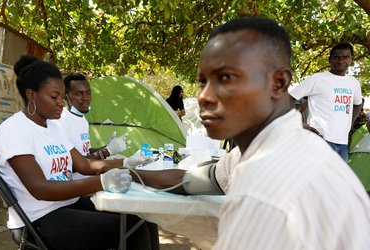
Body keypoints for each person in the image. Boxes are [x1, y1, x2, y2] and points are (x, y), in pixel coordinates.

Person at [104, 17, 370, 249]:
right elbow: (190, 181)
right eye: (203, 81)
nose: (206, 96)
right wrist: (132, 173)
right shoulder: (256, 152)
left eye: (228, 78)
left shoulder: (268, 191)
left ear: (279, 83)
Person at [0, 55, 159, 250]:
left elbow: (83, 165)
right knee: (131, 230)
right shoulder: (14, 130)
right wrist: (102, 182)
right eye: (54, 97)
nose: (61, 103)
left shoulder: (55, 128)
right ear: (31, 95)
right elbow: (40, 188)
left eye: (61, 97)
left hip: (66, 204)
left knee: (144, 217)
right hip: (39, 218)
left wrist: (125, 163)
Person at [290, 43, 363, 162]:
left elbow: (357, 104)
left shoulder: (353, 83)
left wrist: (349, 125)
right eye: (336, 57)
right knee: (315, 179)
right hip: (319, 141)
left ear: (351, 59)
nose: (340, 61)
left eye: (345, 57)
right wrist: (302, 123)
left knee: (337, 180)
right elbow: (287, 100)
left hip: (342, 143)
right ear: (330, 60)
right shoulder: (317, 79)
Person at [59, 73, 129, 161]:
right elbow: (71, 163)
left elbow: (86, 152)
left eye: (88, 93)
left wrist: (107, 147)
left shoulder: (82, 120)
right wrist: (106, 151)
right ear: (65, 96)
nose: (85, 98)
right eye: (78, 93)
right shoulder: (62, 120)